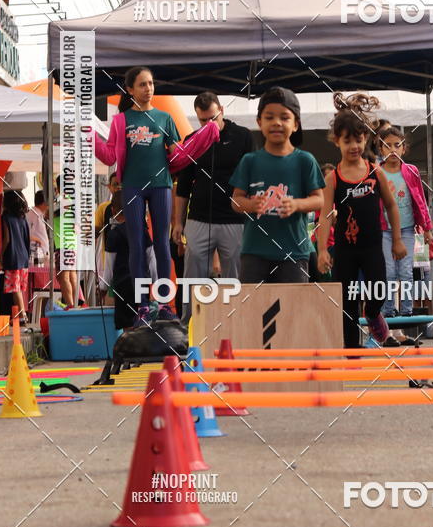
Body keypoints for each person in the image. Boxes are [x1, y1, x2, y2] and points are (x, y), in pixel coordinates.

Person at [93, 66, 220, 325]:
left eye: (150, 83)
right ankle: (142, 306)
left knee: (162, 244)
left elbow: (177, 154)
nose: (148, 89)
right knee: (137, 245)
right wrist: (88, 135)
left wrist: (203, 136)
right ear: (130, 89)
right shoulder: (120, 121)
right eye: (142, 84)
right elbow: (108, 156)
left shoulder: (164, 118)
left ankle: (163, 304)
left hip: (161, 185)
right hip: (132, 187)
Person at [317, 93, 406, 349]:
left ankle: (373, 313)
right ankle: (351, 351)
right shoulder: (333, 178)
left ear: (366, 138)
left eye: (358, 139)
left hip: (372, 247)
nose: (354, 146)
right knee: (347, 302)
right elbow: (325, 215)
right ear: (337, 141)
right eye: (347, 141)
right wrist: (322, 250)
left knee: (379, 292)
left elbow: (391, 205)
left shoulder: (375, 171)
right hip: (345, 249)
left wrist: (397, 240)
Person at [230, 86, 324, 283]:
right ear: (259, 122)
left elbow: (319, 200)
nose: (276, 123)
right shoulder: (249, 161)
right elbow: (236, 200)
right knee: (253, 303)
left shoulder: (305, 160)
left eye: (284, 117)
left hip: (294, 253)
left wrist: (296, 204)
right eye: (269, 117)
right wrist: (251, 204)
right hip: (254, 253)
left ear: (296, 124)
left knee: (292, 304)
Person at [172, 91, 253, 284]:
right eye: (203, 120)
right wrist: (178, 222)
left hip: (234, 219)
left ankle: (235, 307)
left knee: (235, 280)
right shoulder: (192, 140)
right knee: (193, 280)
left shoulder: (243, 136)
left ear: (222, 110)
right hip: (199, 218)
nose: (209, 124)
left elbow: (254, 179)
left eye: (213, 118)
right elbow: (183, 185)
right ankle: (190, 307)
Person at [378, 125, 433, 319]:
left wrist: (427, 228)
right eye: (388, 145)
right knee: (388, 272)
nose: (393, 149)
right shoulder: (377, 172)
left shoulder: (411, 171)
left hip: (408, 229)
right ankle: (388, 310)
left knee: (406, 271)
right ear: (380, 149)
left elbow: (421, 201)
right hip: (384, 230)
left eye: (397, 145)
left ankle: (407, 310)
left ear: (404, 148)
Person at [102, 191, 157, 331]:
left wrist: (103, 288)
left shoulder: (113, 234)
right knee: (142, 323)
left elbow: (109, 267)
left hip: (123, 286)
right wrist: (156, 283)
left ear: (113, 210)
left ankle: (129, 344)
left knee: (127, 326)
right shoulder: (142, 231)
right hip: (142, 284)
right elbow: (152, 259)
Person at [2, 190, 31, 326]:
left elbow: (7, 239)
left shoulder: (6, 217)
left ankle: (22, 315)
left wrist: (0, 255)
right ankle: (21, 315)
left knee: (15, 289)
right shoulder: (23, 218)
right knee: (19, 288)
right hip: (23, 257)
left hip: (12, 257)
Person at [53, 175, 78, 309]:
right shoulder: (71, 200)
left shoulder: (63, 200)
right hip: (70, 243)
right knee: (71, 275)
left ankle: (70, 305)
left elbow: (49, 214)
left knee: (64, 277)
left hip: (64, 243)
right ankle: (75, 304)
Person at [26, 190, 49, 262]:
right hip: (37, 255)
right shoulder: (33, 215)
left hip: (41, 254)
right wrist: (38, 241)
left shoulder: (38, 214)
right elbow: (27, 235)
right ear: (44, 203)